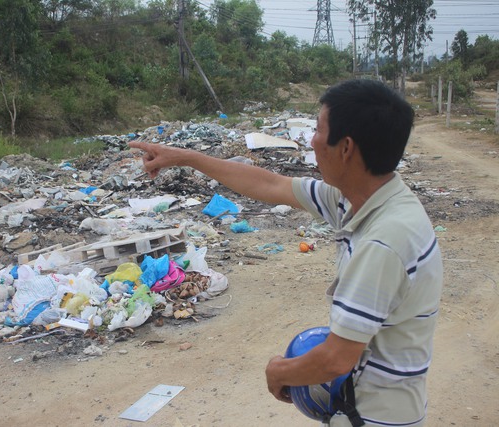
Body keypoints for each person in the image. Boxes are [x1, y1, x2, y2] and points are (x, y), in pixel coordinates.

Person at [129, 79, 443, 427]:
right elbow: (271, 185)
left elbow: (337, 359)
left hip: (376, 418)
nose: (312, 141)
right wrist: (185, 157)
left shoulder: (384, 241)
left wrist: (281, 372)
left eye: (319, 130)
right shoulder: (359, 199)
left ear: (346, 148)